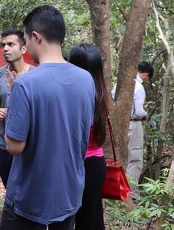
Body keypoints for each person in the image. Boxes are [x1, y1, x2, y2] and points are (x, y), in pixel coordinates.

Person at [0, 5, 95, 230]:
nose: (25, 46)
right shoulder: (86, 79)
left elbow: (14, 146)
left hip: (29, 195)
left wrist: (13, 99)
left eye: (25, 39)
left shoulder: (25, 83)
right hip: (68, 193)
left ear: (36, 37)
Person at [68, 44, 108, 230]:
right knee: (93, 219)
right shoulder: (100, 92)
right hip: (96, 164)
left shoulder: (79, 94)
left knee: (84, 220)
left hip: (81, 164)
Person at [0, 28, 34, 187]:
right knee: (8, 184)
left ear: (23, 49)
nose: (5, 49)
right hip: (4, 142)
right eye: (3, 45)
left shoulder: (35, 75)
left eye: (10, 44)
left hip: (28, 143)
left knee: (27, 186)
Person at [126, 61, 153, 201]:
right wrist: (145, 115)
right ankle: (131, 194)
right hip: (133, 124)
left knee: (122, 158)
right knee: (135, 159)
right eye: (148, 77)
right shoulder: (138, 87)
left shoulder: (122, 83)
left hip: (120, 125)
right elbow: (138, 112)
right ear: (145, 75)